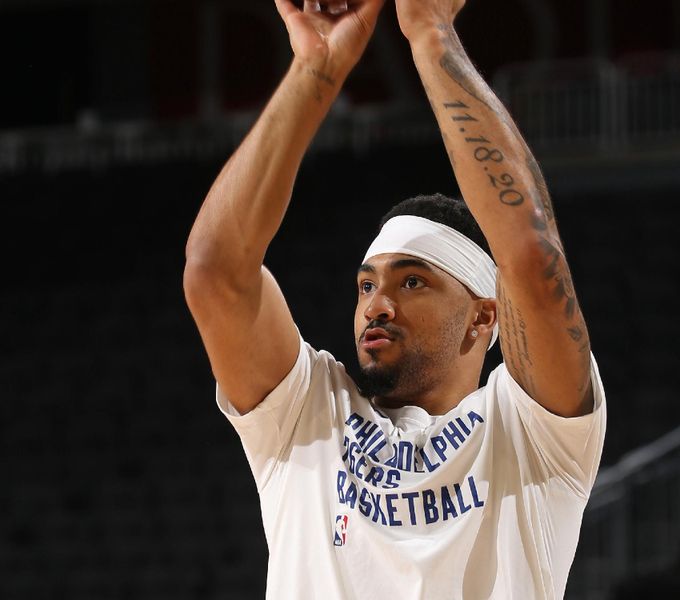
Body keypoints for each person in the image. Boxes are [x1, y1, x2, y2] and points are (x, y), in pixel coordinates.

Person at [183, 0, 607, 598]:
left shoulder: (529, 432)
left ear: (483, 316)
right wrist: (316, 68)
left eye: (413, 282)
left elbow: (533, 260)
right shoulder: (309, 415)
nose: (376, 305)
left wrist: (430, 31)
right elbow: (214, 271)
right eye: (366, 284)